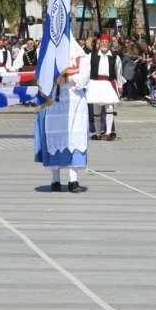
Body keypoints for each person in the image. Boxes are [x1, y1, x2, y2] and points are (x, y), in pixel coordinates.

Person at [34, 49, 91, 193]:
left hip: (75, 101)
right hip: (55, 100)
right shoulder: (49, 52)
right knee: (54, 135)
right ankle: (55, 179)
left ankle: (73, 179)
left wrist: (66, 80)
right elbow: (41, 73)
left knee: (74, 138)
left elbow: (84, 78)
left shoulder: (81, 56)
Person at [85, 34, 125, 140]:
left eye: (106, 43)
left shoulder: (115, 57)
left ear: (109, 44)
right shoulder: (91, 56)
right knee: (96, 109)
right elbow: (86, 71)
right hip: (95, 83)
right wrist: (85, 84)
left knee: (110, 108)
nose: (104, 44)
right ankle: (97, 133)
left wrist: (120, 85)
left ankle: (108, 132)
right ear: (99, 43)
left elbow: (118, 72)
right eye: (102, 42)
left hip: (108, 83)